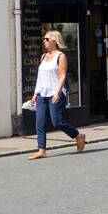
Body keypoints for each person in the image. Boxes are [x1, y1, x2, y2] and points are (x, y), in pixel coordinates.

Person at [29, 30, 85, 159]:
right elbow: (40, 77)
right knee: (40, 122)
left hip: (55, 93)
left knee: (57, 122)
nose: (44, 41)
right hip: (42, 94)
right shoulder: (43, 56)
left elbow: (62, 76)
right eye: (44, 39)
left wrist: (58, 92)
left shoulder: (61, 56)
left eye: (47, 39)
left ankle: (78, 135)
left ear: (55, 41)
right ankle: (41, 150)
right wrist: (35, 93)